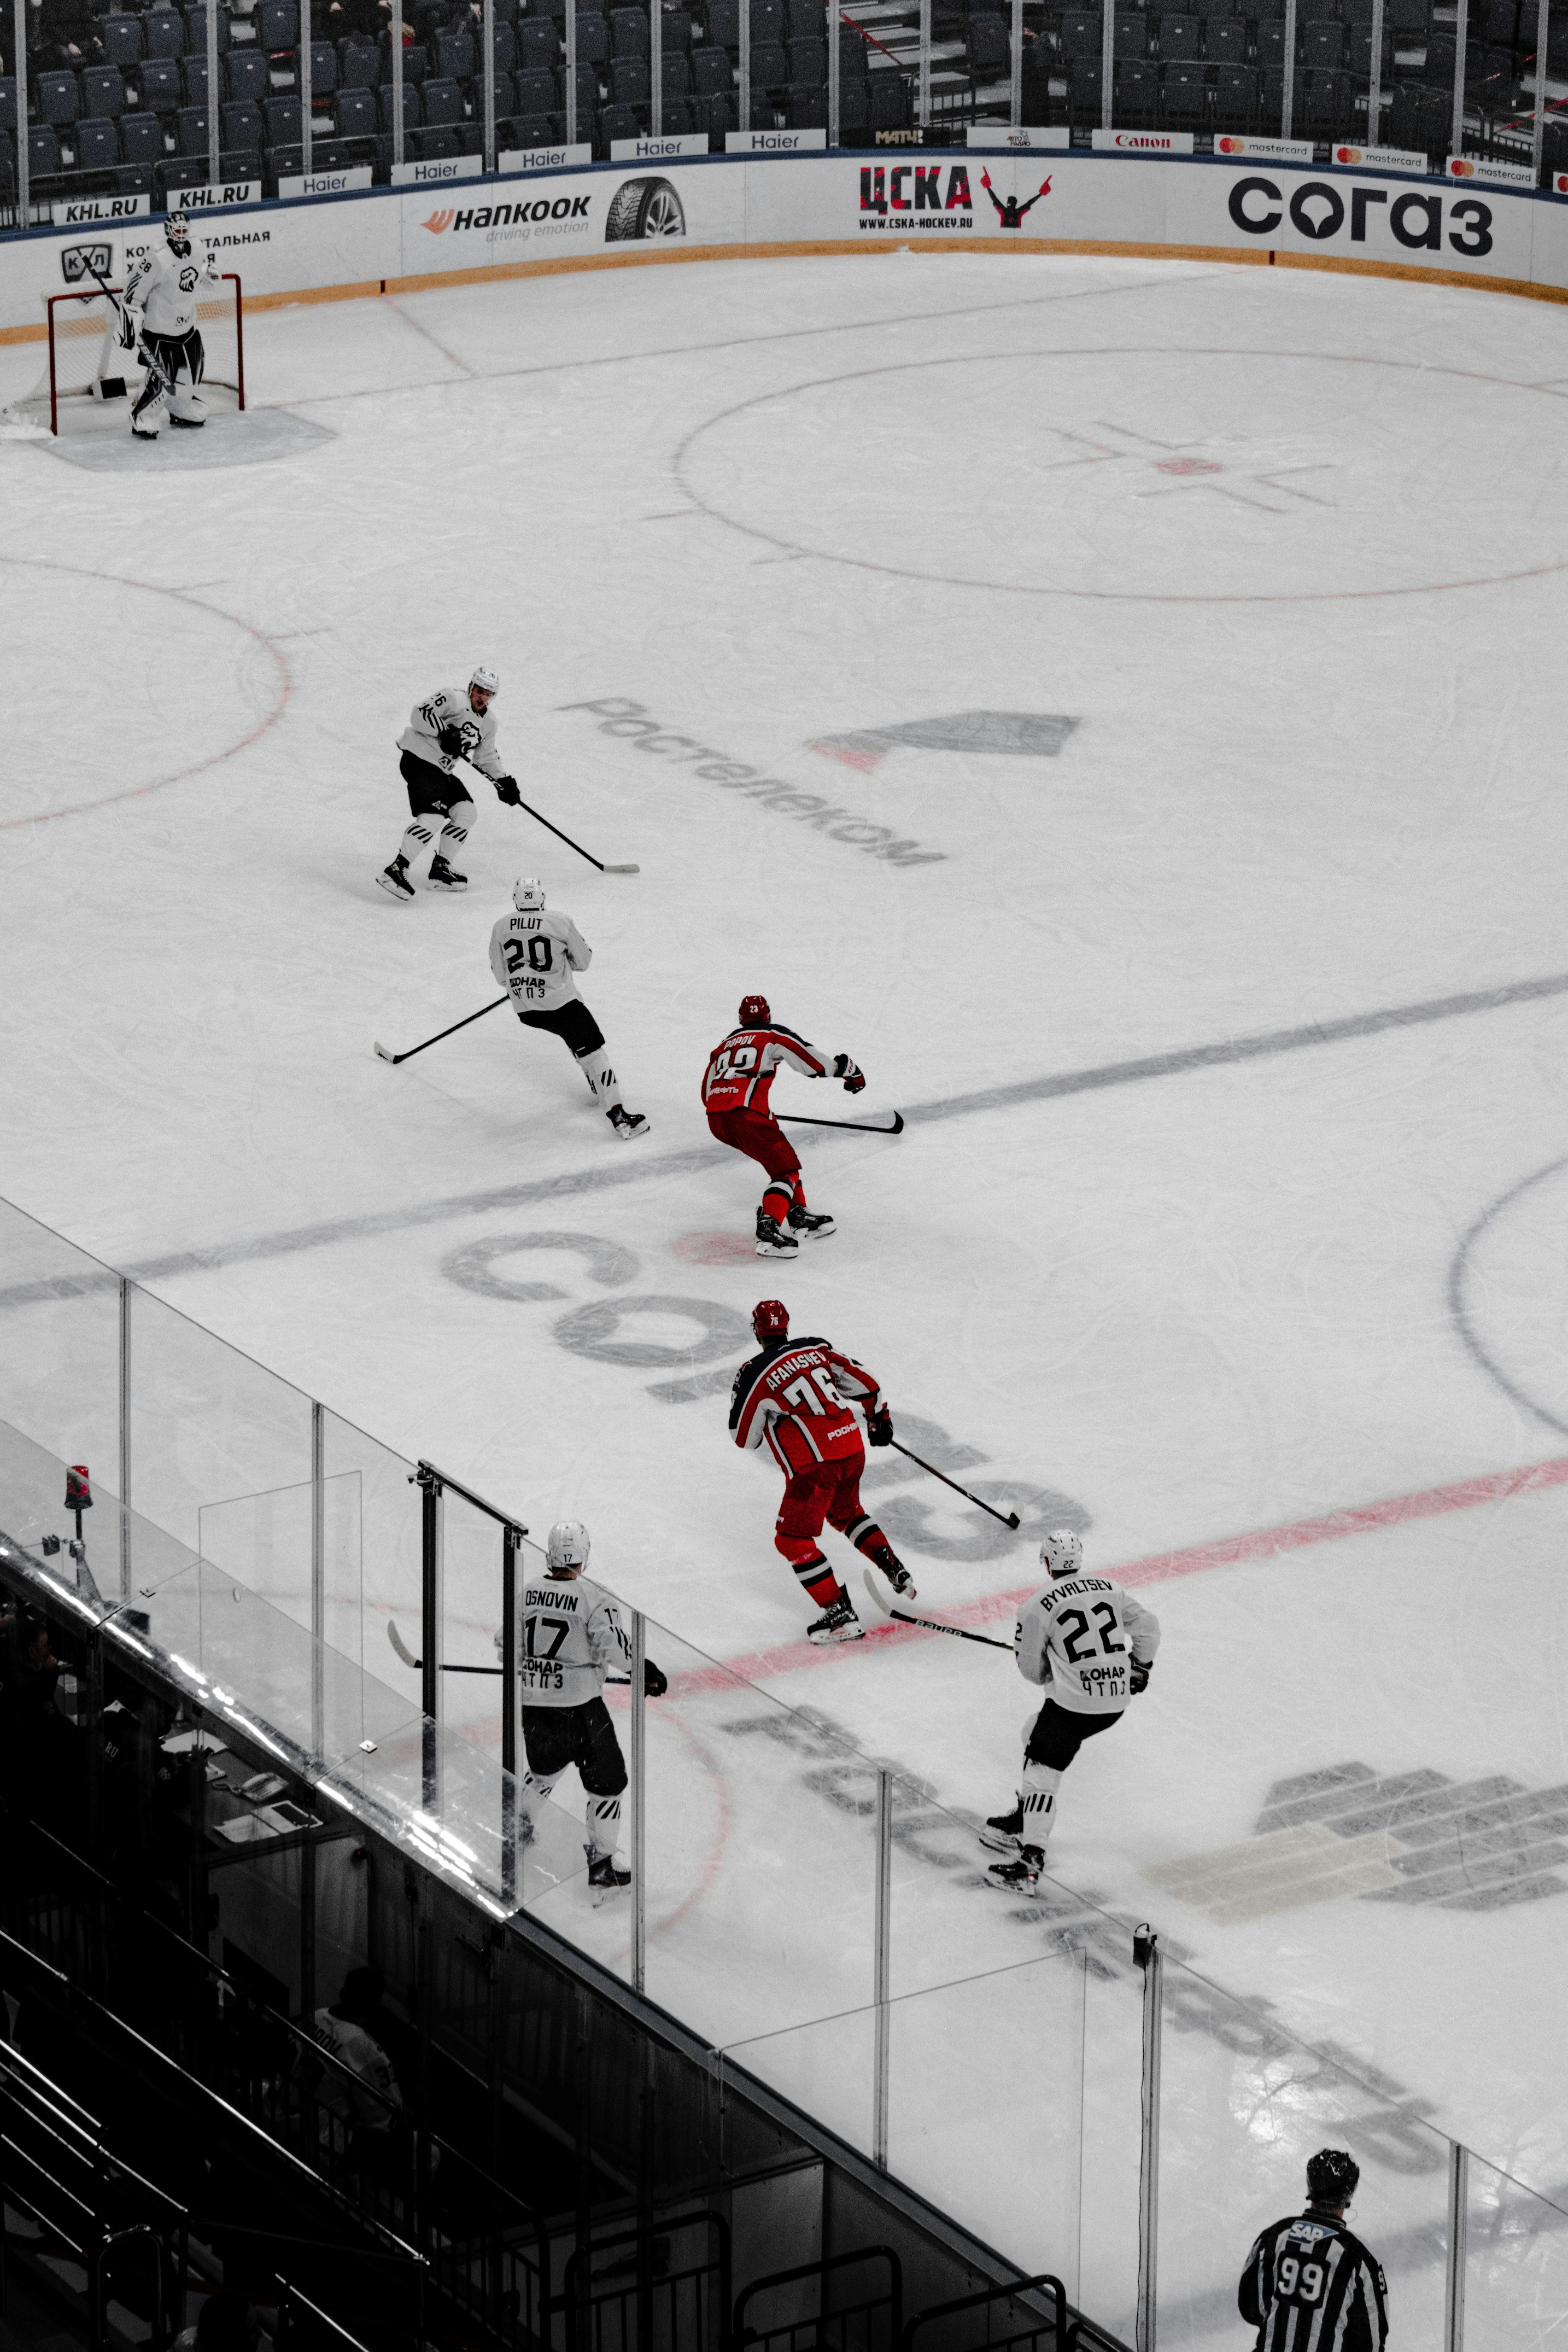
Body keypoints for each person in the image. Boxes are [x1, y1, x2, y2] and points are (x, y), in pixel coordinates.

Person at [982, 1530, 1159, 1895]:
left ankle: (1030, 1864)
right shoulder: (1110, 1588)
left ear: (1046, 1562)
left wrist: (1049, 1669)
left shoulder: (1035, 1606)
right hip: (1114, 1703)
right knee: (1032, 1732)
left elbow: (1031, 1671)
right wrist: (1139, 1668)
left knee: (1041, 1772)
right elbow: (1150, 1628)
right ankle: (1027, 1816)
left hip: (1074, 1705)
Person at [728, 1299, 914, 1644]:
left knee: (791, 1539)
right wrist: (879, 1420)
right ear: (786, 1326)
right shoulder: (817, 1348)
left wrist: (765, 1405)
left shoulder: (754, 1372)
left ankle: (839, 1614)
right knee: (846, 1513)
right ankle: (892, 1566)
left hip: (816, 1466)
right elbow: (869, 1386)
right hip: (851, 1449)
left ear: (757, 1330)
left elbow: (744, 1438)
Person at [502, 1521, 666, 1894]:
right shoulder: (594, 1597)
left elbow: (505, 1644)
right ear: (584, 1555)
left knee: (543, 1773)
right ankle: (602, 1866)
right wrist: (645, 1670)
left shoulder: (526, 1593)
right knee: (607, 1785)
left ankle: (516, 1827)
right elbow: (614, 1646)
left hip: (535, 1708)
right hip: (581, 1712)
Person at [701, 995, 865, 1257]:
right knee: (785, 1171)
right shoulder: (771, 1035)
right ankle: (769, 1230)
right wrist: (847, 1070)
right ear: (767, 1016)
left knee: (781, 1159)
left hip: (717, 1120)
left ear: (741, 1019)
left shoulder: (723, 1045)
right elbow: (813, 1063)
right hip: (746, 1116)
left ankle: (798, 1214)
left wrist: (751, 1110)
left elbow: (706, 1093)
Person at [488, 878, 649, 1140]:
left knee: (574, 1037)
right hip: (560, 1003)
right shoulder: (559, 921)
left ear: (516, 899)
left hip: (526, 1010)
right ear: (542, 898)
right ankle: (619, 1115)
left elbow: (501, 977)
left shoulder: (500, 927)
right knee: (595, 1052)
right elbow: (583, 961)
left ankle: (596, 1086)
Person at [378, 667, 519, 899]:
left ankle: (441, 868)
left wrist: (504, 782)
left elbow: (486, 756)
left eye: (488, 694)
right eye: (480, 691)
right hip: (420, 760)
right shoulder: (453, 698)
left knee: (466, 812)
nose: (483, 698)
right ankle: (396, 869)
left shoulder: (489, 723)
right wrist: (444, 732)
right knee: (432, 817)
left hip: (442, 770)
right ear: (471, 687)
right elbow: (419, 713)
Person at [1239, 2149, 1389, 2350]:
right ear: (1349, 2194)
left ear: (1311, 2186)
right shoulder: (1358, 2258)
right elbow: (1371, 2342)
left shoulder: (1275, 2237)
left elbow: (1251, 2308)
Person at [122, 214, 220, 441]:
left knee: (192, 374)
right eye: (177, 231)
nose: (181, 236)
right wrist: (131, 318)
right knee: (161, 377)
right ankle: (142, 415)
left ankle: (181, 407)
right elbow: (133, 288)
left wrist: (207, 273)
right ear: (168, 231)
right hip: (160, 329)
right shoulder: (156, 258)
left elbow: (196, 269)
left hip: (187, 325)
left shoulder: (197, 247)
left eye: (185, 231)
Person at [311, 1967, 403, 2169]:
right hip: (320, 2142)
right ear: (375, 2004)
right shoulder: (364, 2047)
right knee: (429, 2152)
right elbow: (389, 2116)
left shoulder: (317, 2015)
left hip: (280, 2113)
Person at [980, 169, 1051, 229]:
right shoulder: (1018, 212)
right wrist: (1040, 194)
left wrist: (988, 188)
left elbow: (995, 199)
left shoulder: (1004, 211)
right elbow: (1029, 203)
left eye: (1009, 202)